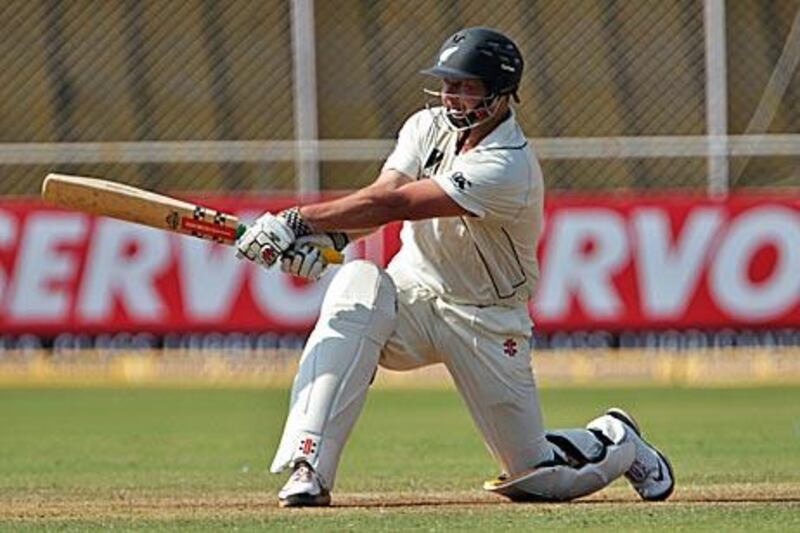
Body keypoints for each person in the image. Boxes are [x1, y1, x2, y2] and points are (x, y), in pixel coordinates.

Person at [235, 27, 674, 507]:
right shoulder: (425, 127)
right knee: (356, 282)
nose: (452, 95)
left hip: (486, 320)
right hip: (414, 296)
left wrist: (296, 222)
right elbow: (384, 192)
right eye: (448, 83)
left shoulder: (508, 166)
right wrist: (324, 239)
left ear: (501, 94)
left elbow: (394, 204)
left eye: (467, 86)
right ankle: (310, 466)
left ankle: (617, 439)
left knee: (536, 480)